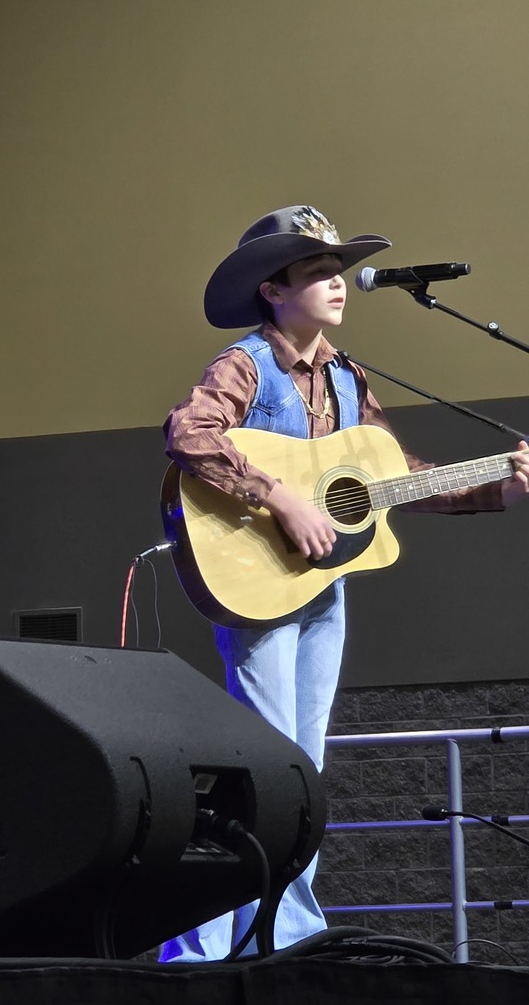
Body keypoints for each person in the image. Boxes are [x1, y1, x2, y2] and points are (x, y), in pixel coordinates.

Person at [160, 204, 529, 962]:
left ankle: (288, 934)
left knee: (304, 766)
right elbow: (189, 434)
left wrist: (504, 489)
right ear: (272, 289)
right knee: (266, 759)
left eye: (337, 270)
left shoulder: (349, 377)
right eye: (318, 271)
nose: (337, 284)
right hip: (258, 578)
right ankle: (204, 944)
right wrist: (282, 496)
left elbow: (395, 478)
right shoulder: (244, 365)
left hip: (323, 588)